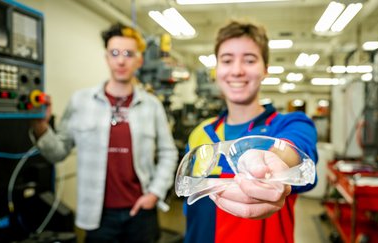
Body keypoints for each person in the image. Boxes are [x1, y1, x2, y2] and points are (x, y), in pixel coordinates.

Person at [30, 23, 178, 243]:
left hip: (141, 212)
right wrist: (40, 125)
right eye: (114, 53)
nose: (121, 60)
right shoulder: (81, 101)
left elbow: (169, 152)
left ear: (139, 60)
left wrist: (155, 193)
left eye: (128, 54)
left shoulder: (152, 105)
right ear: (106, 57)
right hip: (98, 216)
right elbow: (57, 153)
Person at [183, 20, 318, 243]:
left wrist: (273, 162)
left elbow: (296, 150)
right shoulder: (201, 133)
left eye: (249, 60)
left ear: (265, 69)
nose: (237, 70)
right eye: (227, 60)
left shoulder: (290, 124)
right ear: (217, 69)